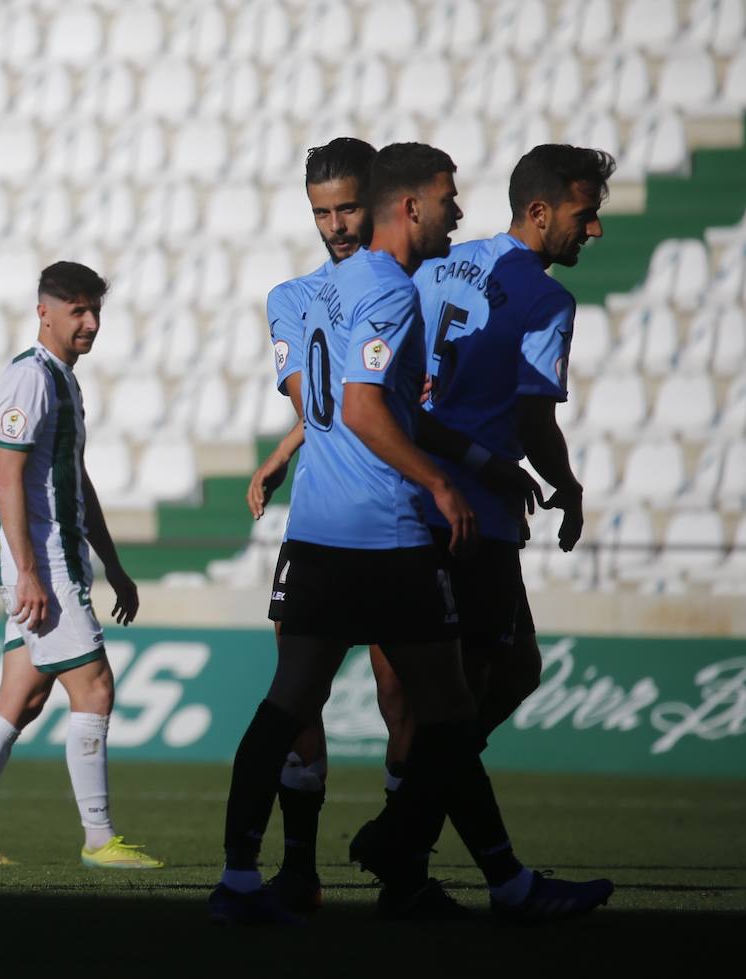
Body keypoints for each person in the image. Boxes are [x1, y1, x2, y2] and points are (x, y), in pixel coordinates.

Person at [212, 143, 613, 925]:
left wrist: (470, 459)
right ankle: (480, 876)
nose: (456, 211)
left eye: (342, 208)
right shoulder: (395, 290)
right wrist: (440, 479)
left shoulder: (315, 290)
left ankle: (240, 880)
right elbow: (365, 407)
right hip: (390, 533)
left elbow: (355, 402)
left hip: (317, 532)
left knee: (291, 703)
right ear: (411, 207)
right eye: (446, 198)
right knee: (448, 713)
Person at [0, 262, 164, 871]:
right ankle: (98, 838)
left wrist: (113, 563)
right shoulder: (30, 380)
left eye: (95, 311)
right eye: (77, 311)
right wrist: (31, 572)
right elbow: (6, 475)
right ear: (45, 311)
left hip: (51, 559)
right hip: (44, 563)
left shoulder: (62, 381)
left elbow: (74, 480)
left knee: (21, 696)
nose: (89, 323)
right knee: (94, 686)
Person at [250, 137, 413, 911]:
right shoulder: (291, 295)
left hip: (387, 519)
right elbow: (324, 404)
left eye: (348, 206)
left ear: (374, 199)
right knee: (299, 699)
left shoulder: (396, 285)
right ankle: (299, 867)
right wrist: (287, 448)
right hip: (326, 520)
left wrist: (284, 448)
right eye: (322, 211)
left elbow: (336, 403)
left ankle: (398, 861)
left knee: (400, 697)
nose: (336, 224)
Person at [412, 144, 614, 738]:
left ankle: (415, 810)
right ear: (540, 211)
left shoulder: (434, 264)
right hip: (476, 513)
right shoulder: (546, 299)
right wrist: (568, 488)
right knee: (489, 677)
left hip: (411, 493)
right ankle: (409, 822)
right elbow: (532, 420)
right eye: (585, 215)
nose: (595, 229)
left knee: (442, 688)